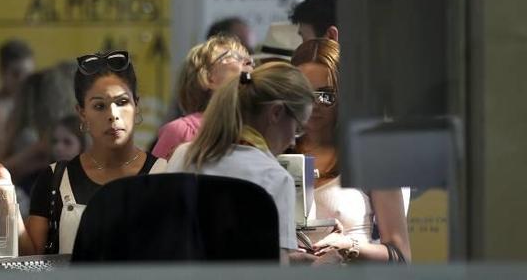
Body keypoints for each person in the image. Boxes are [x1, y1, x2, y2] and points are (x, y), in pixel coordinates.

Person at [0, 50, 166, 255]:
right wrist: (4, 194)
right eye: (99, 106)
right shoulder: (55, 178)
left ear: (137, 105)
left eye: (122, 102)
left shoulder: (165, 174)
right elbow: (31, 256)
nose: (112, 115)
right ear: (82, 113)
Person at [166, 63, 314, 262]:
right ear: (276, 113)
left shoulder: (183, 155)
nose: (293, 141)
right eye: (297, 128)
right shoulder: (275, 178)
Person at [291, 39, 411, 262]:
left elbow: (401, 256)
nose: (314, 104)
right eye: (304, 93)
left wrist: (349, 246)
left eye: (326, 95)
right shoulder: (276, 151)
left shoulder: (371, 156)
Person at [152, 35, 253, 159]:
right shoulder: (181, 131)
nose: (249, 62)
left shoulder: (255, 128)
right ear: (208, 78)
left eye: (249, 59)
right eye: (235, 57)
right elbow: (156, 178)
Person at [0, 39, 35, 157]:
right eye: (16, 74)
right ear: (2, 72)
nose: (23, 80)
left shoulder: (30, 100)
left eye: (28, 74)